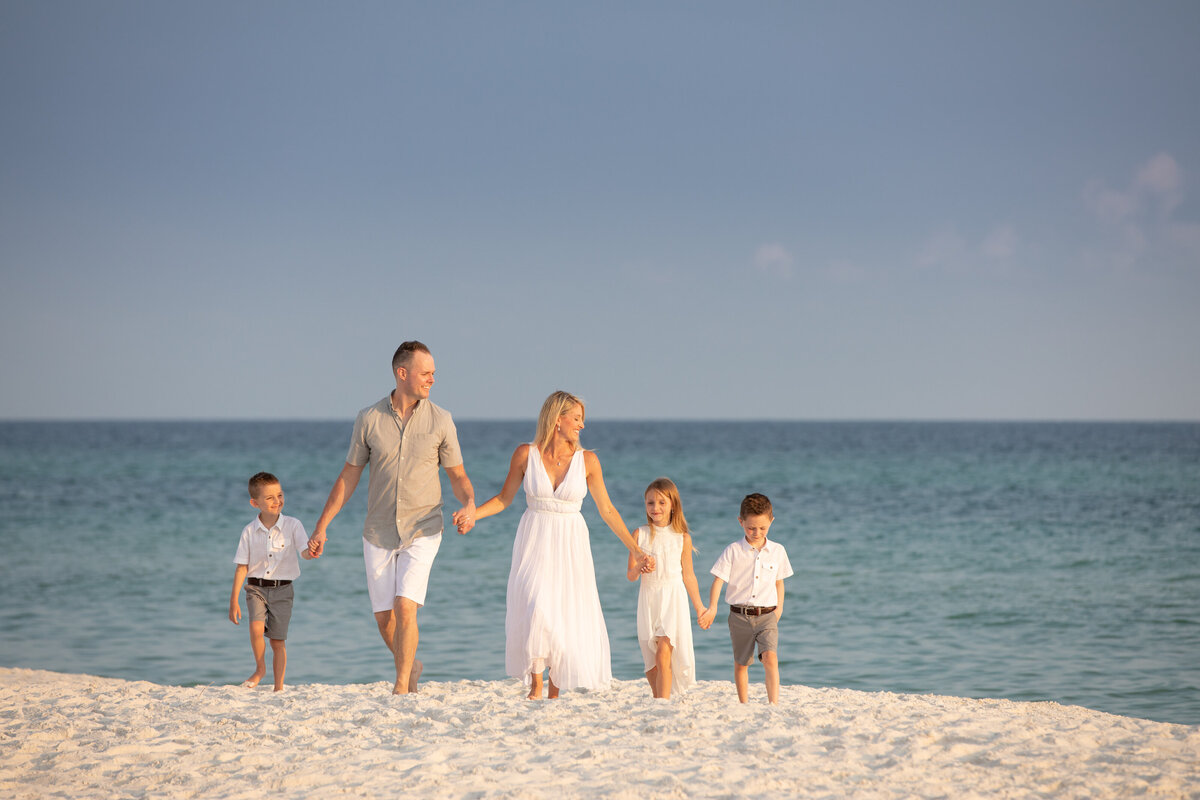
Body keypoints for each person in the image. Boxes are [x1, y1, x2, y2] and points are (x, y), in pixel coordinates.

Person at [307, 341, 476, 695]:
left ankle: (402, 687)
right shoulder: (369, 419)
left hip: (424, 528)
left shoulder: (441, 420)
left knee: (405, 605)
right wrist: (322, 526)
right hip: (378, 531)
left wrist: (470, 502)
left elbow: (458, 475)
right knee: (385, 618)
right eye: (426, 373)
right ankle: (410, 664)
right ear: (403, 373)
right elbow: (349, 476)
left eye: (434, 373)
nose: (432, 379)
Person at [473, 391, 655, 699]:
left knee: (563, 612)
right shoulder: (524, 454)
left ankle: (554, 689)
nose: (582, 426)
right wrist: (472, 515)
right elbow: (504, 499)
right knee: (535, 604)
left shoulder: (588, 461)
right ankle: (535, 686)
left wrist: (636, 550)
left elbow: (607, 511)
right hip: (535, 539)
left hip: (571, 543)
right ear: (558, 420)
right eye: (577, 418)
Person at [699, 493, 794, 704]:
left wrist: (779, 610)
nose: (756, 532)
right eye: (751, 528)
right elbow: (718, 581)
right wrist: (712, 608)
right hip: (739, 616)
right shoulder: (732, 551)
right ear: (740, 522)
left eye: (762, 528)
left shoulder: (778, 551)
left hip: (768, 614)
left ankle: (773, 704)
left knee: (770, 658)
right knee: (742, 663)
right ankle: (744, 704)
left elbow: (779, 582)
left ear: (771, 521)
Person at [229, 472, 315, 691]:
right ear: (254, 503)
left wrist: (312, 552)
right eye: (270, 498)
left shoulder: (294, 525)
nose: (277, 501)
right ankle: (260, 669)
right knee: (256, 629)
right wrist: (233, 601)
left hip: (283, 590)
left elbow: (304, 552)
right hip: (255, 588)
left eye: (279, 495)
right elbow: (242, 567)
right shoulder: (248, 531)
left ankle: (278, 687)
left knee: (277, 642)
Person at [625, 477, 707, 699]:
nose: (655, 508)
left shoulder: (682, 538)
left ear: (673, 505)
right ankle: (658, 699)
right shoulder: (638, 534)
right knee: (651, 661)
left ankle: (663, 703)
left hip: (673, 599)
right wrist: (640, 566)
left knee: (663, 652)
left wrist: (700, 608)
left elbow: (689, 576)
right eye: (650, 503)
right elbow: (631, 575)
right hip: (649, 598)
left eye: (662, 503)